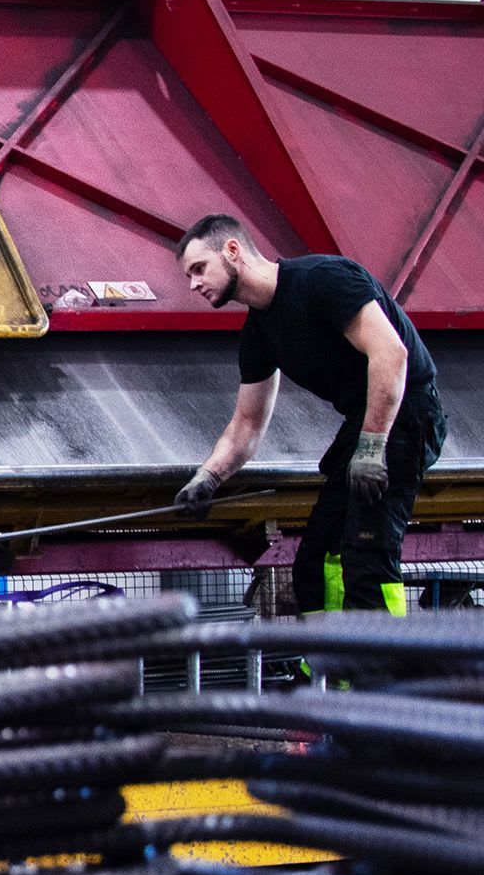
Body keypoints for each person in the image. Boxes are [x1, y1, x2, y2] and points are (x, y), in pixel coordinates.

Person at [173, 213, 445, 618]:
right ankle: (332, 673)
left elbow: (391, 355)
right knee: (315, 562)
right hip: (363, 424)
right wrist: (207, 478)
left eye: (199, 269)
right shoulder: (259, 333)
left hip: (406, 415)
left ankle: (386, 669)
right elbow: (246, 424)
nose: (194, 284)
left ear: (232, 251)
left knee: (366, 555)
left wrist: (371, 449)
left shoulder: (325, 279)